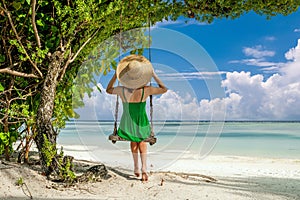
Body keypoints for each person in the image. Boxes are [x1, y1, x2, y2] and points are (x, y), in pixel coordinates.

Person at [106, 54, 167, 182]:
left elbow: (108, 89)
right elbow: (164, 89)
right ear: (141, 76)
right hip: (142, 121)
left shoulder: (121, 90)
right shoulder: (147, 90)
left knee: (133, 142)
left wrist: (115, 75)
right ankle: (144, 169)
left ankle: (136, 168)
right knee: (142, 143)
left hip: (127, 122)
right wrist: (153, 75)